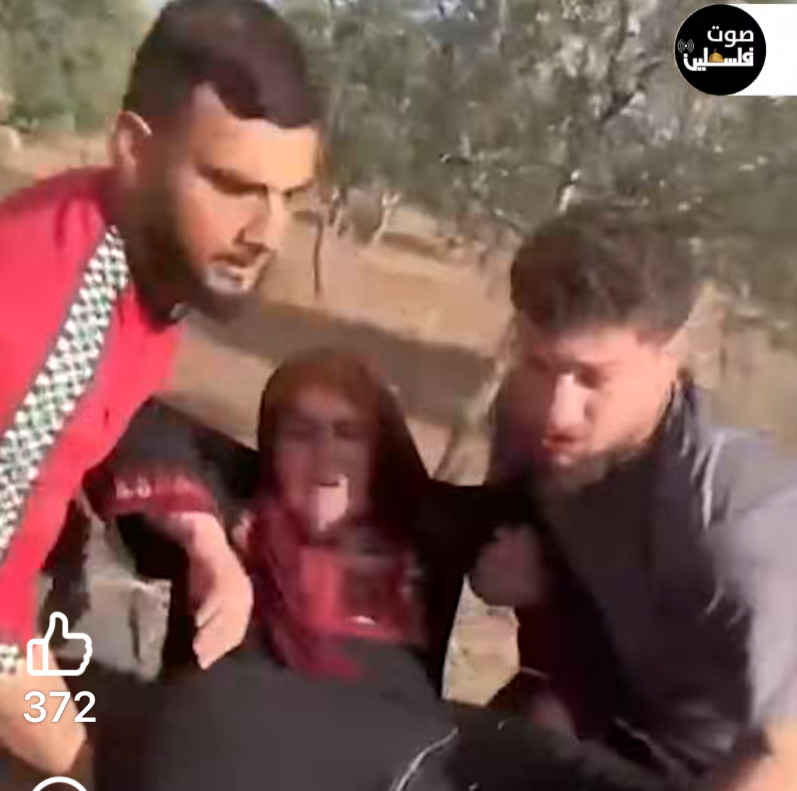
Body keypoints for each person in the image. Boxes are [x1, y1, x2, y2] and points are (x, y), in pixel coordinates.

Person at [0, 0, 319, 780]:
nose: (265, 232)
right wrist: (82, 766)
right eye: (233, 185)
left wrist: (197, 531)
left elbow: (105, 402)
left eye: (290, 196)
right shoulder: (46, 323)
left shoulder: (138, 251)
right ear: (133, 149)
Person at [470, 203, 797, 790]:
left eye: (593, 378)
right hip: (598, 716)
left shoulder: (737, 515)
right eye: (540, 365)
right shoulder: (525, 420)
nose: (558, 411)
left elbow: (785, 757)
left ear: (671, 354)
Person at [86, 350, 519, 699]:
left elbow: (538, 507)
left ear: (378, 452)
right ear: (273, 449)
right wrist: (209, 548)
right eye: (300, 433)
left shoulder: (426, 528)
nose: (325, 453)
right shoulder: (239, 506)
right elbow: (131, 421)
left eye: (348, 433)